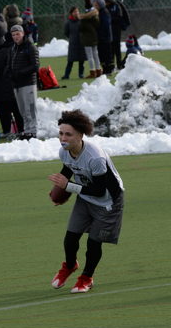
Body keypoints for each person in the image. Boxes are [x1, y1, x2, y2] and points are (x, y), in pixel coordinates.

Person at [48, 109, 124, 293]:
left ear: (81, 135)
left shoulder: (95, 157)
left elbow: (99, 190)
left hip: (107, 202)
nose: (63, 138)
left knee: (93, 242)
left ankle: (86, 277)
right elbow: (69, 169)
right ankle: (70, 265)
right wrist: (59, 193)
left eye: (68, 134)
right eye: (61, 133)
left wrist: (68, 186)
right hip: (85, 197)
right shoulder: (64, 152)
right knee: (70, 238)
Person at [7, 24, 39, 140]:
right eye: (13, 35)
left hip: (28, 83)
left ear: (23, 34)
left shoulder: (30, 47)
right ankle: (27, 130)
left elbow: (35, 66)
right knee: (22, 110)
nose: (16, 37)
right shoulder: (13, 48)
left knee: (30, 109)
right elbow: (10, 64)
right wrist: (9, 73)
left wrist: (20, 73)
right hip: (17, 84)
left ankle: (33, 132)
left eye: (18, 34)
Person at [61, 6, 86, 80]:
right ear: (71, 13)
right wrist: (72, 38)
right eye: (75, 11)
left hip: (81, 43)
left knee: (82, 60)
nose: (76, 13)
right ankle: (66, 75)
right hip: (73, 43)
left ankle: (81, 74)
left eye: (77, 11)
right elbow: (66, 32)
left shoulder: (81, 21)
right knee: (70, 61)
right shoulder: (68, 22)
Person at [79, 0, 101, 78]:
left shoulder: (84, 18)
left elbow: (81, 28)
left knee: (90, 56)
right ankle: (99, 70)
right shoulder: (95, 16)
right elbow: (98, 25)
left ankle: (92, 71)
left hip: (87, 39)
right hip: (94, 37)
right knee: (96, 54)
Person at [102, 0, 123, 70]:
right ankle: (112, 65)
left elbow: (119, 17)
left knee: (117, 47)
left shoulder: (116, 6)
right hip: (108, 31)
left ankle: (119, 64)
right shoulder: (104, 8)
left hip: (116, 30)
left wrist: (110, 19)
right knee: (110, 49)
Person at [93, 0, 113, 75]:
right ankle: (105, 69)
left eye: (96, 5)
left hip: (105, 38)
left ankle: (108, 69)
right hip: (100, 38)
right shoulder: (98, 12)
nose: (95, 7)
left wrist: (98, 28)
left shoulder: (104, 12)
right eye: (94, 5)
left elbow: (105, 25)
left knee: (106, 54)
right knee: (101, 54)